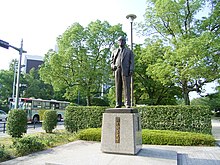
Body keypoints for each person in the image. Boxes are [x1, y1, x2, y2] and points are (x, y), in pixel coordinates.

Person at [111, 36, 134, 108]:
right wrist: (112, 66)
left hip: (126, 71)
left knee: (126, 87)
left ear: (125, 42)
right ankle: (118, 103)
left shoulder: (129, 51)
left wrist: (131, 69)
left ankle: (127, 103)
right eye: (119, 40)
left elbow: (132, 62)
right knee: (118, 87)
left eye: (122, 40)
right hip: (117, 70)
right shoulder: (114, 51)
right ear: (118, 42)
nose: (121, 42)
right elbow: (111, 62)